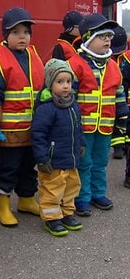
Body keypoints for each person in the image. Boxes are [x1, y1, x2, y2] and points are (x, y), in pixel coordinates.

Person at [0, 7, 44, 227]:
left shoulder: (33, 56)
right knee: (7, 169)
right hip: (8, 131)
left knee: (29, 167)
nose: (22, 37)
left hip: (32, 129)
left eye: (26, 32)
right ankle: (3, 207)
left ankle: (26, 200)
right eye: (16, 32)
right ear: (5, 35)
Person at [67, 13, 128, 216]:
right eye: (103, 36)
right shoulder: (75, 64)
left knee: (101, 162)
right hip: (83, 126)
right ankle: (82, 197)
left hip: (105, 126)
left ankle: (97, 193)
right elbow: (70, 97)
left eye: (110, 36)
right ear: (88, 39)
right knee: (84, 162)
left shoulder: (113, 66)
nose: (108, 40)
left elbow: (119, 95)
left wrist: (122, 118)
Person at [31, 58, 85, 237]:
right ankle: (51, 218)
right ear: (49, 83)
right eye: (60, 82)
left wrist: (82, 143)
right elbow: (38, 134)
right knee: (52, 189)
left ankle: (67, 213)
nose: (65, 86)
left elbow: (78, 126)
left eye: (68, 81)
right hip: (52, 160)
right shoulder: (47, 108)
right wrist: (42, 158)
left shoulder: (73, 104)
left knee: (71, 186)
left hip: (70, 158)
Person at [110, 25, 128, 159]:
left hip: (123, 94)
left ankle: (121, 146)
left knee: (123, 119)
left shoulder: (125, 58)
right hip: (114, 92)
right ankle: (118, 146)